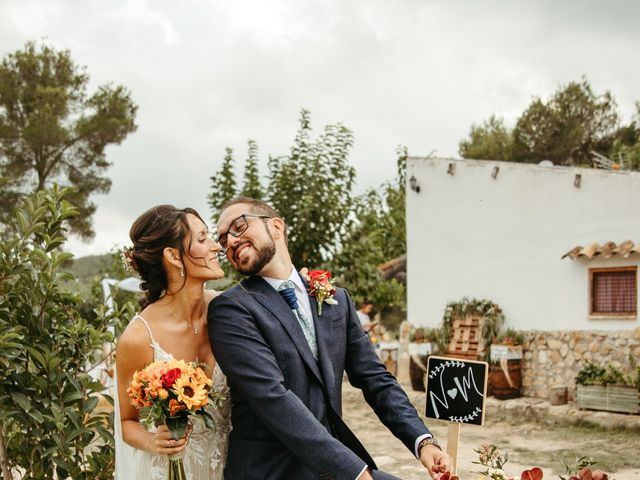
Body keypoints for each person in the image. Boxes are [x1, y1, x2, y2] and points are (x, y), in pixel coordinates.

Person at [209, 197, 452, 480]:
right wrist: (353, 471)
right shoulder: (232, 308)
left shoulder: (337, 299)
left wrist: (422, 441)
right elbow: (272, 399)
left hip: (330, 469)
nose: (231, 242)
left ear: (276, 226)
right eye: (224, 239)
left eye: (239, 226)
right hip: (274, 471)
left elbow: (376, 380)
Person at [114, 205, 231, 480]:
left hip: (229, 467)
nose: (216, 247)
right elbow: (127, 422)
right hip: (169, 471)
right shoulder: (139, 338)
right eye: (203, 239)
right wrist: (152, 440)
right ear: (173, 256)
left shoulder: (228, 312)